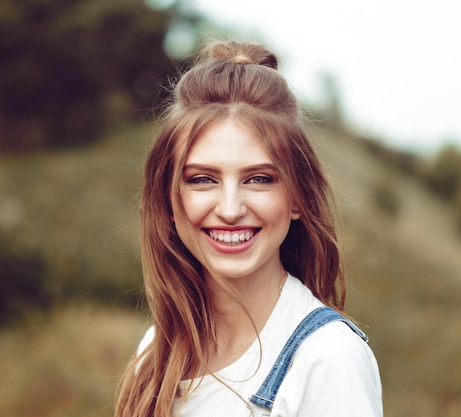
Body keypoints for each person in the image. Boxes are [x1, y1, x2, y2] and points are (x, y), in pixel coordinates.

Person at [115, 40, 383, 417]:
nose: (229, 209)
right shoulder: (156, 350)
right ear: (170, 202)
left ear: (296, 198)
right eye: (202, 179)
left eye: (259, 179)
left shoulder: (328, 359)